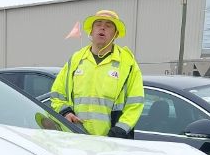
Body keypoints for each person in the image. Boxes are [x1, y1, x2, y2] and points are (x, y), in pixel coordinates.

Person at [50, 10, 144, 138]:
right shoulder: (76, 59)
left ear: (115, 34)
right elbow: (57, 93)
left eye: (109, 25)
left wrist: (118, 131)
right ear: (91, 31)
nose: (103, 27)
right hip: (76, 139)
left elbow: (135, 103)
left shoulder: (128, 63)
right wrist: (66, 112)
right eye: (98, 23)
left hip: (112, 143)